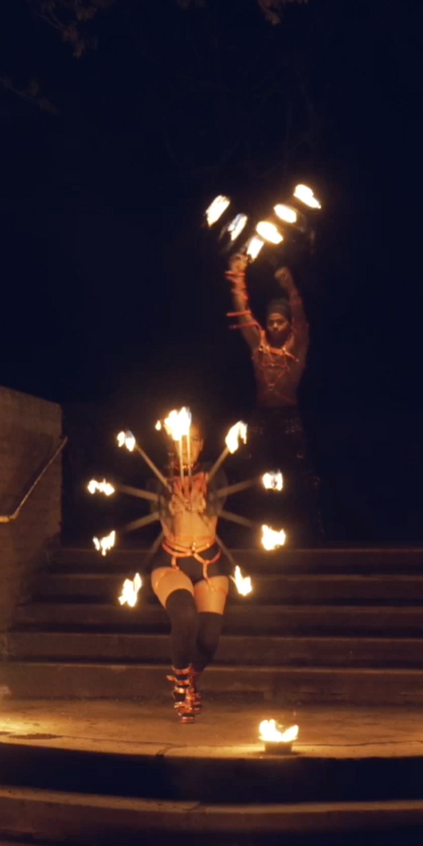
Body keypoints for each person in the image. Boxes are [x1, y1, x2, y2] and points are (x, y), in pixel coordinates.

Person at [224, 255, 323, 542]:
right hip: (262, 418)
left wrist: (291, 287)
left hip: (289, 418)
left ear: (288, 325)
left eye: (281, 322)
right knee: (256, 476)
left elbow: (302, 320)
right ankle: (257, 533)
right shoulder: (260, 346)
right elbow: (243, 315)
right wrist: (237, 276)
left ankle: (307, 535)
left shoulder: (298, 345)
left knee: (298, 479)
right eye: (271, 322)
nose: (276, 326)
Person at [148, 421, 229, 723]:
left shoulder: (215, 473)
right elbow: (163, 515)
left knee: (209, 639)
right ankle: (181, 684)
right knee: (185, 616)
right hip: (172, 562)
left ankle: (192, 679)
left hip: (210, 563)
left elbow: (215, 505)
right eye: (182, 440)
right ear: (173, 443)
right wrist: (172, 504)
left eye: (194, 440)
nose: (188, 446)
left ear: (202, 444)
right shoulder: (158, 478)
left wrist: (202, 500)